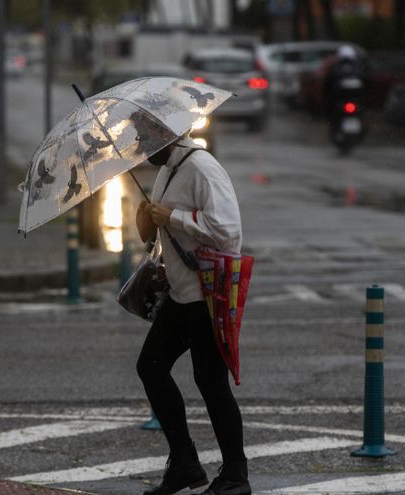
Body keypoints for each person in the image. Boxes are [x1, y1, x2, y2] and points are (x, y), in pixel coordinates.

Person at [135, 134, 249, 495]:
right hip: (180, 293)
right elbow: (158, 235)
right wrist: (148, 221)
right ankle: (184, 463)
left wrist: (174, 216)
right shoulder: (167, 170)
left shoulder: (201, 167)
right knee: (150, 367)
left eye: (146, 140)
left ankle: (235, 476)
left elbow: (228, 233)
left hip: (206, 294)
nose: (141, 147)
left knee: (211, 382)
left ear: (167, 136)